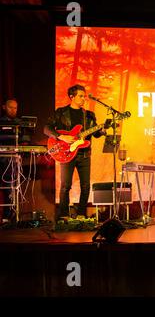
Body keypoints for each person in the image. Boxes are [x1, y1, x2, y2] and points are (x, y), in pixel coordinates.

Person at [44, 84, 106, 220]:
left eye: (84, 96)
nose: (84, 98)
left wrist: (101, 131)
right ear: (72, 97)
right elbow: (47, 128)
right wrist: (60, 136)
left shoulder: (89, 115)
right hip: (66, 153)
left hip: (84, 154)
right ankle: (63, 215)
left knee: (85, 186)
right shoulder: (60, 112)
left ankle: (81, 214)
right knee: (66, 185)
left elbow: (94, 134)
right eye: (81, 96)